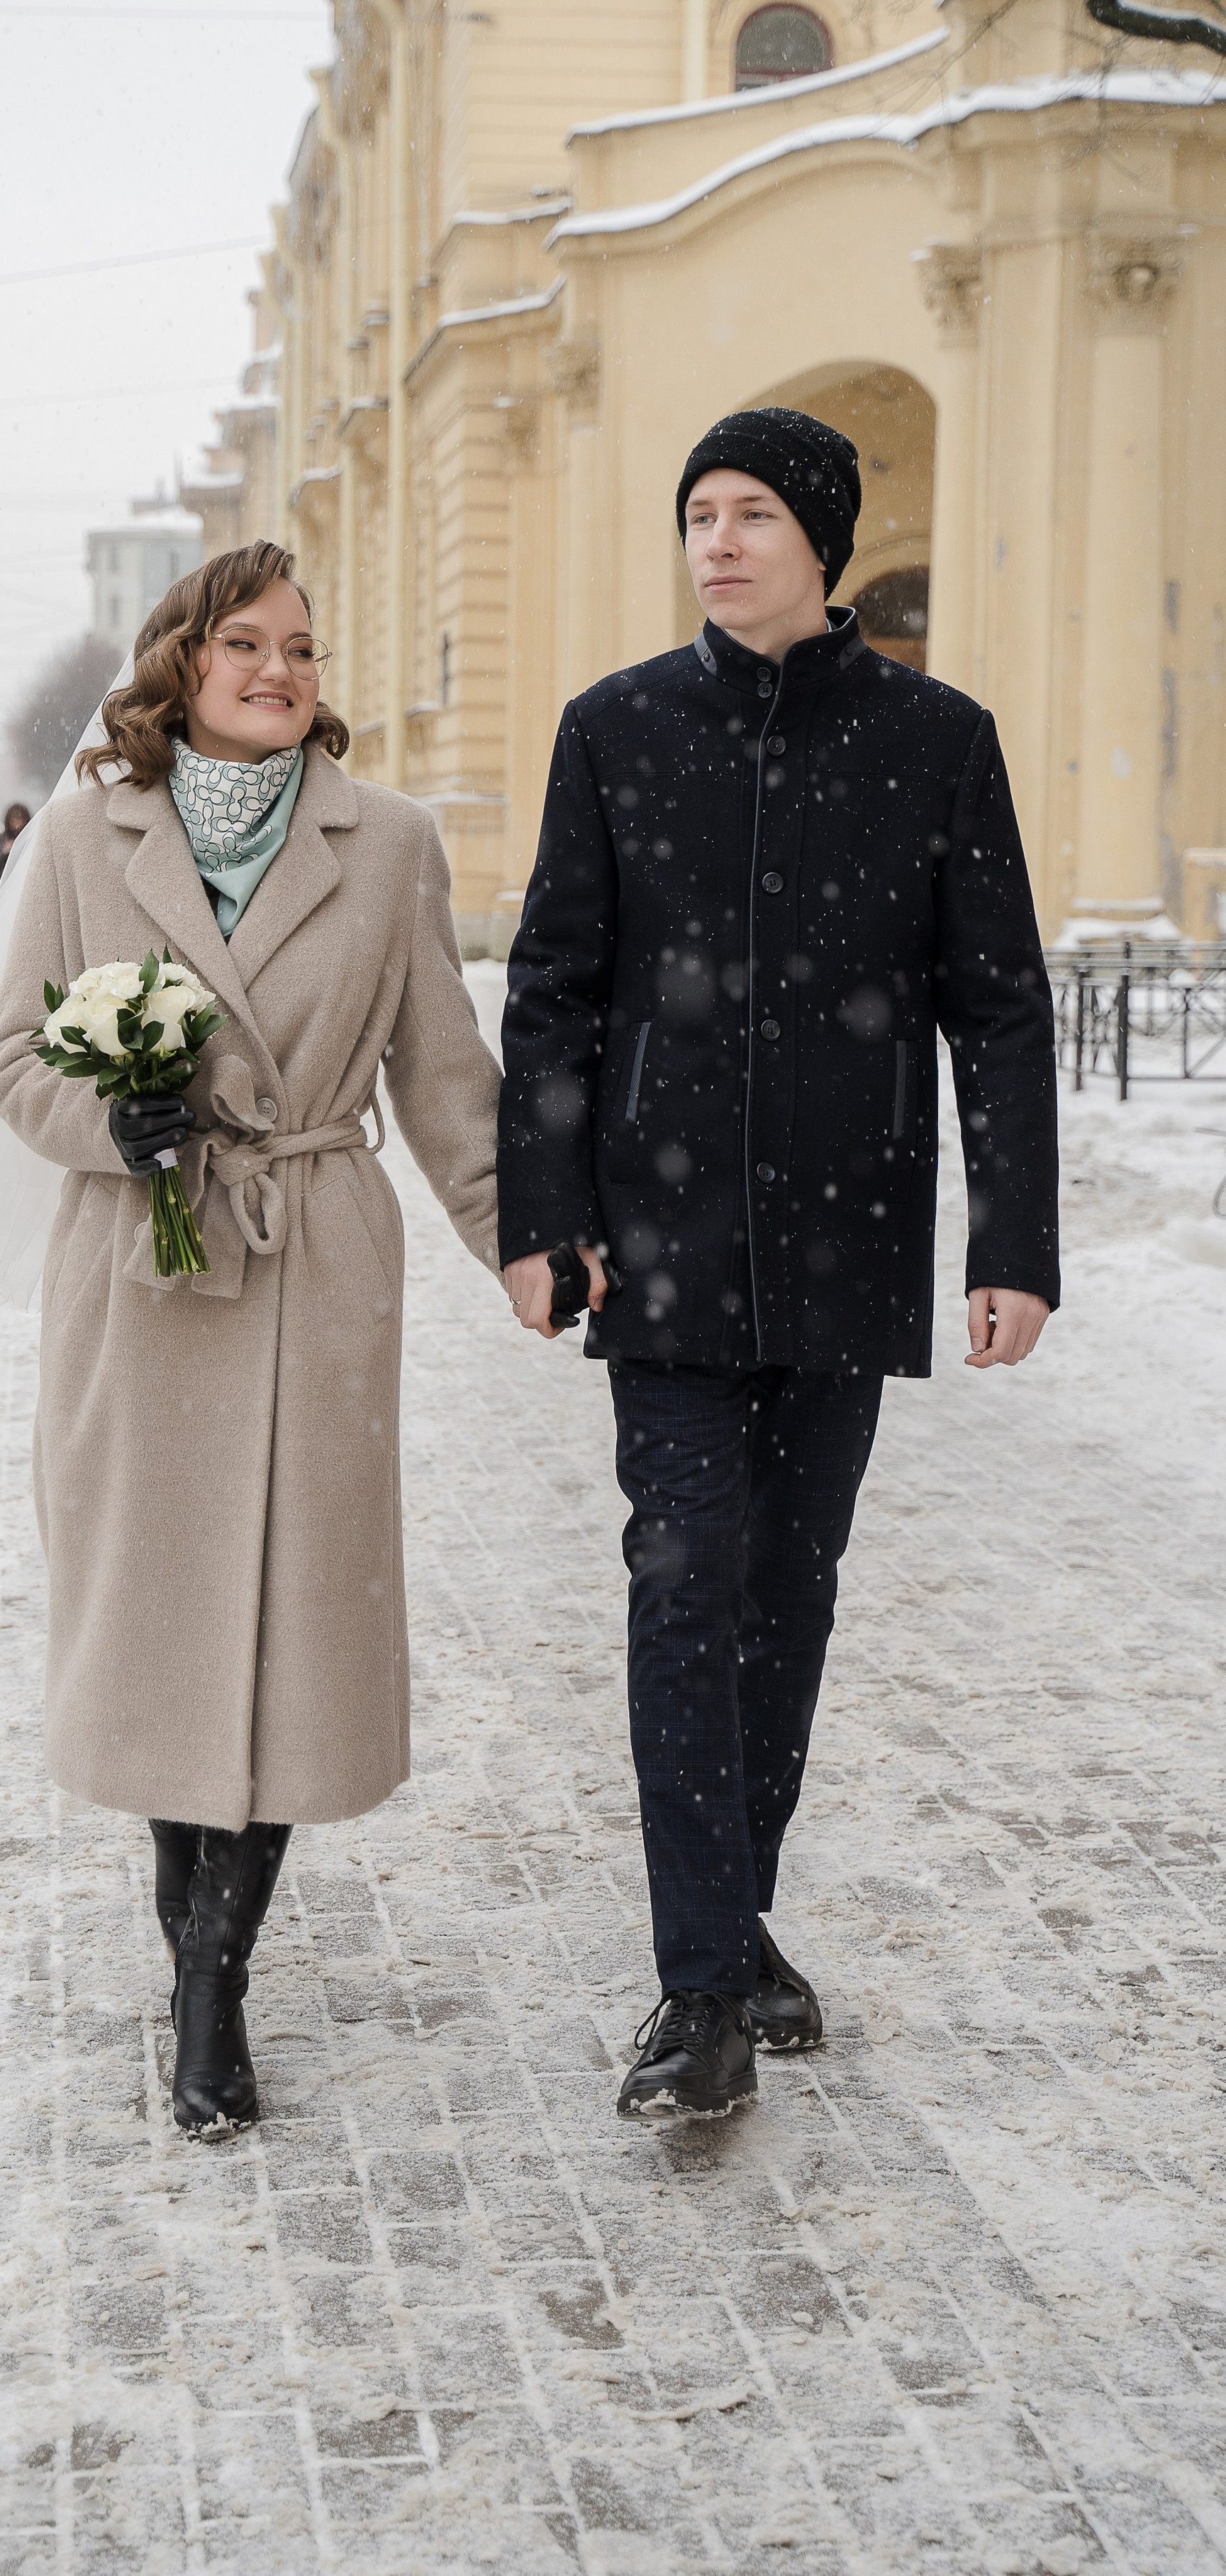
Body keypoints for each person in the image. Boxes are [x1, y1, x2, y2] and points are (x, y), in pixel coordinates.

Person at [498, 406, 1059, 2121]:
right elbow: (549, 993)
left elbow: (998, 1001)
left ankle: (731, 1920)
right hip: (656, 1247)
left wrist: (1012, 1241)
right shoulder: (614, 730)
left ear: (819, 539)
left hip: (846, 1237)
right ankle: (697, 1989)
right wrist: (539, 1213)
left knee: (782, 1597)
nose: (717, 541)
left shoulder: (934, 741)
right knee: (680, 1581)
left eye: (750, 513)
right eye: (696, 515)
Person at [0, 538, 501, 2137]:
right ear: (182, 666)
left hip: (310, 1262)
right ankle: (187, 1943)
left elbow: (440, 1074)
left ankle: (213, 1980)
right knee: (154, 1628)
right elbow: (14, 1060)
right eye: (248, 648)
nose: (281, 672)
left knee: (290, 1632)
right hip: (139, 1277)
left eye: (301, 649)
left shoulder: (390, 840)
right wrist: (114, 1117)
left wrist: (524, 1247)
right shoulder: (85, 835)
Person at [0, 799, 31, 887]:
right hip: (3, 885)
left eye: (19, 819)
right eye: (13, 820)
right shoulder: (1, 839)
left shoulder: (30, 838)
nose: (16, 824)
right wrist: (5, 852)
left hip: (24, 884)